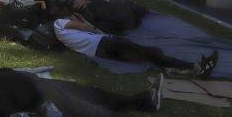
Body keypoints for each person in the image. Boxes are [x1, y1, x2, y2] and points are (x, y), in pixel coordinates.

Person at [0, 68, 198, 117]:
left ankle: (142, 101)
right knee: (99, 116)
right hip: (29, 99)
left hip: (25, 84)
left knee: (92, 94)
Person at [54, 16, 219, 77]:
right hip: (106, 43)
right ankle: (194, 66)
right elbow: (85, 27)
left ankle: (176, 69)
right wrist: (83, 22)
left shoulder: (64, 36)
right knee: (151, 52)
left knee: (147, 56)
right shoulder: (59, 23)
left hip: (101, 51)